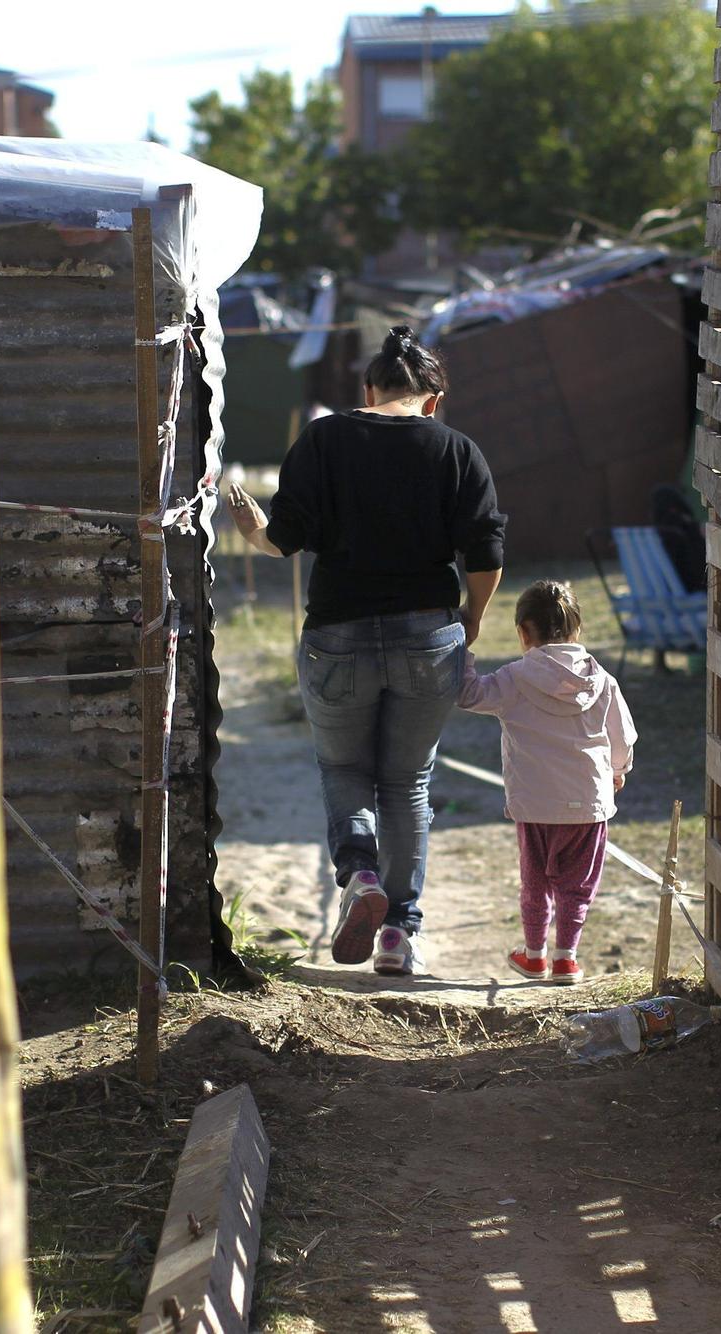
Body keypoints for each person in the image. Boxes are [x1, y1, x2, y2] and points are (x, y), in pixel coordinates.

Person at [224, 326, 507, 978]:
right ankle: (398, 936)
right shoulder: (457, 450)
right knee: (407, 781)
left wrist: (256, 532)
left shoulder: (323, 440)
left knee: (345, 769)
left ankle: (359, 874)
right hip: (426, 634)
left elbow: (284, 542)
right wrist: (471, 620)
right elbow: (487, 553)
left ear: (368, 390)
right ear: (433, 399)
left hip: (337, 637)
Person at [455, 580, 635, 985]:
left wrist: (462, 648)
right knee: (578, 884)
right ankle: (566, 959)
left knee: (535, 881)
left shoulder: (515, 679)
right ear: (577, 631)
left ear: (523, 633)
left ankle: (534, 955)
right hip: (588, 801)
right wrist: (617, 771)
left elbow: (467, 694)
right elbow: (621, 737)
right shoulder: (602, 680)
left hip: (534, 804)